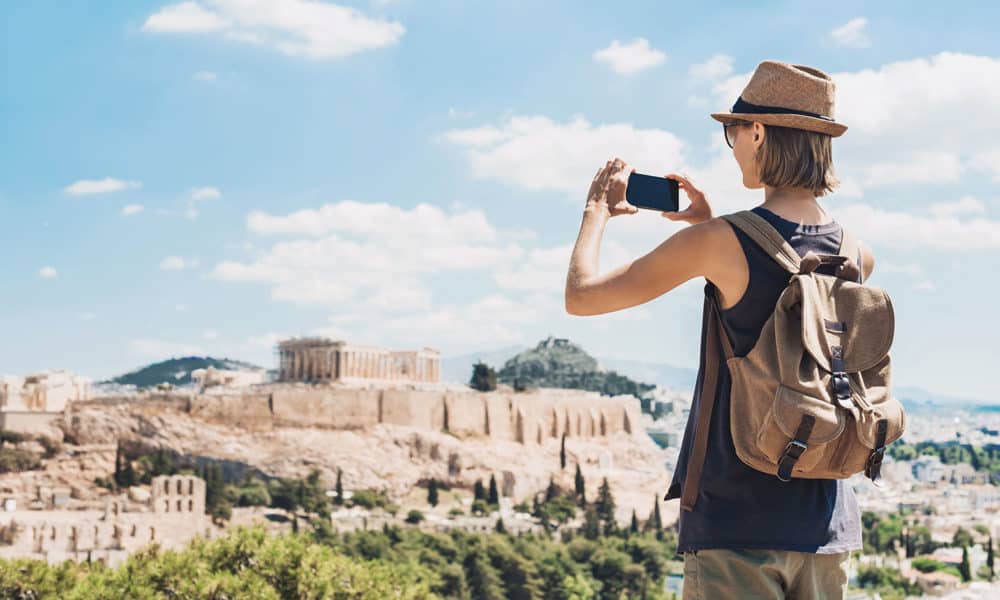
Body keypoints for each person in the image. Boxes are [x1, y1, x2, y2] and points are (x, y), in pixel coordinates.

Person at [565, 60, 870, 599]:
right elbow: (782, 263)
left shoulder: (720, 242)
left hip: (738, 522)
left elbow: (582, 297)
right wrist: (710, 227)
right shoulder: (855, 252)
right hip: (826, 524)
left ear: (758, 132)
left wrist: (596, 212)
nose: (732, 145)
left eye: (733, 131)